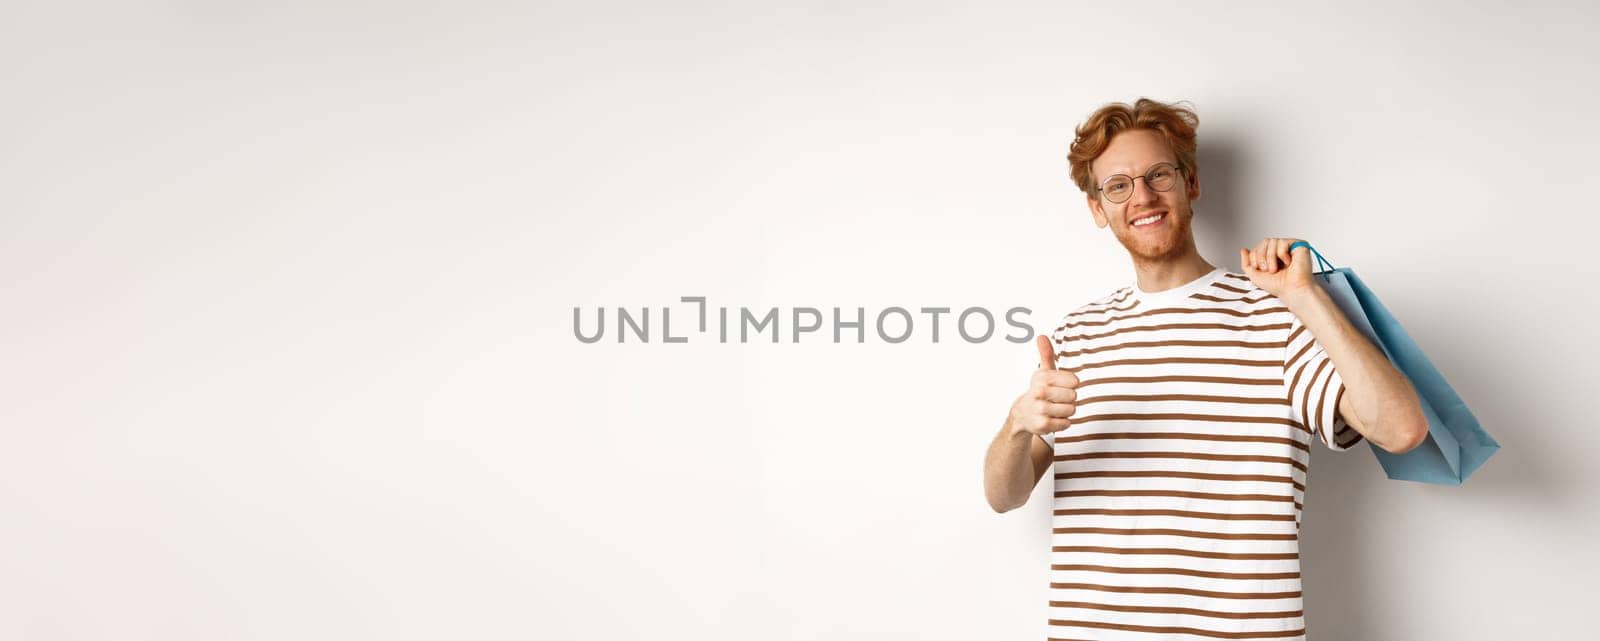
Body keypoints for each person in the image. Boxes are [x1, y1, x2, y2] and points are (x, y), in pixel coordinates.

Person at [981, 98, 1428, 640]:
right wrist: (1018, 423)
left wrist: (1305, 297)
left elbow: (1402, 429)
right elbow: (1004, 496)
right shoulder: (1079, 333)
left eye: (1158, 175)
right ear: (1098, 210)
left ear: (1190, 183)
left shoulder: (1275, 316)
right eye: (1117, 185)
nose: (1141, 196)